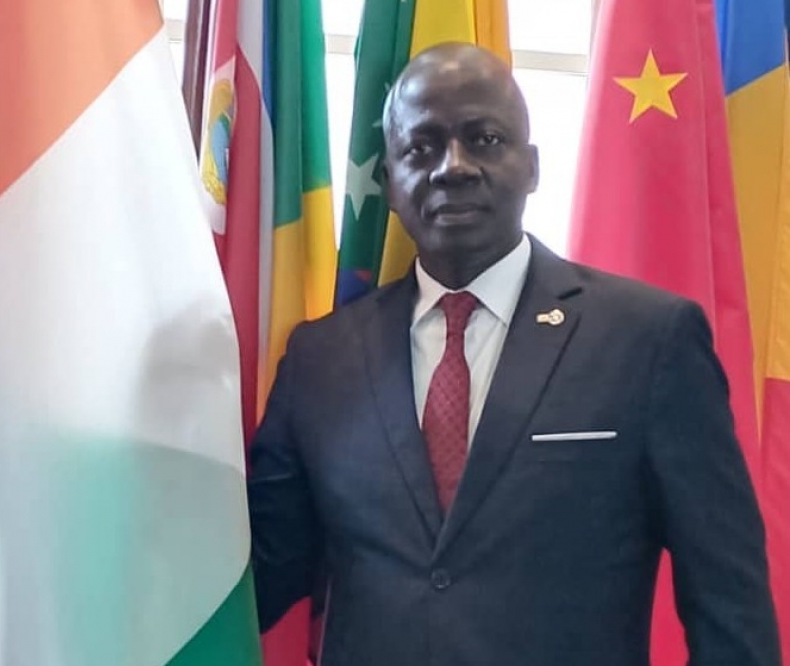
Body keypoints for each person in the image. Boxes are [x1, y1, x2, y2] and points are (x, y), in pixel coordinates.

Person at [247, 42, 780, 666]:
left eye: (484, 139)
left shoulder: (649, 341)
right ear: (389, 182)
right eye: (421, 148)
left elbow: (729, 604)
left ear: (531, 168)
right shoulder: (320, 360)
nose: (453, 167)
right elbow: (258, 577)